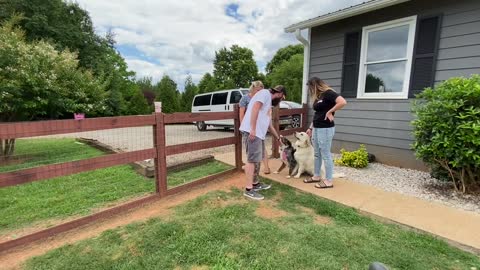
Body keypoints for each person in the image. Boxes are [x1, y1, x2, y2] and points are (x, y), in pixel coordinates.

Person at [240, 85, 286, 200]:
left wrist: (278, 138)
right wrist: (253, 129)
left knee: (257, 160)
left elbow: (269, 125)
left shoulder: (268, 104)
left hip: (259, 135)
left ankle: (255, 183)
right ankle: (248, 189)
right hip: (253, 133)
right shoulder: (265, 93)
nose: (280, 101)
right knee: (251, 160)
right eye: (282, 98)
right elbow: (255, 108)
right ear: (279, 94)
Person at [304, 77, 347, 188]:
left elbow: (342, 102)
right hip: (317, 128)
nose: (310, 90)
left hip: (326, 128)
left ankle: (328, 181)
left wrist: (330, 111)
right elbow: (317, 114)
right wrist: (310, 127)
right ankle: (316, 176)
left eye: (310, 87)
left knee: (326, 155)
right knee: (317, 154)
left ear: (315, 85)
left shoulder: (328, 93)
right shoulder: (318, 96)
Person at [239, 81, 271, 174]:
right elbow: (242, 113)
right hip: (250, 127)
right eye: (257, 90)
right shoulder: (245, 98)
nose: (259, 92)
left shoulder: (263, 97)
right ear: (253, 89)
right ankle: (251, 174)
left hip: (259, 128)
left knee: (262, 148)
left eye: (261, 90)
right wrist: (243, 127)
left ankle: (266, 167)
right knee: (251, 152)